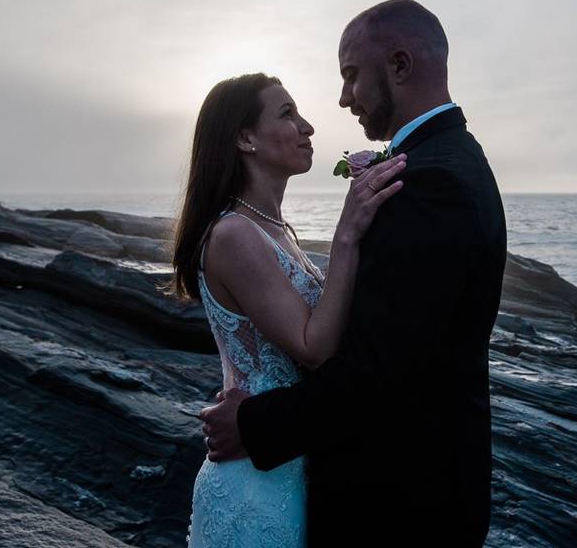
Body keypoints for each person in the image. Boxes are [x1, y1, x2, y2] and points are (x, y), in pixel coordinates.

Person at [200, 0, 507, 546]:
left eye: (350, 76)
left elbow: (379, 371)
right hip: (395, 491)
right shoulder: (443, 163)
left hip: (402, 505)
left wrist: (254, 425)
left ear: (400, 65)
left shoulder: (431, 184)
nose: (341, 100)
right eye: (288, 113)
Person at [170, 72, 407, 547]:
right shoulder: (234, 234)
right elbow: (312, 347)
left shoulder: (279, 232)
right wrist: (346, 234)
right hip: (255, 486)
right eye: (287, 114)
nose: (308, 126)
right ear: (244, 138)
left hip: (291, 459)